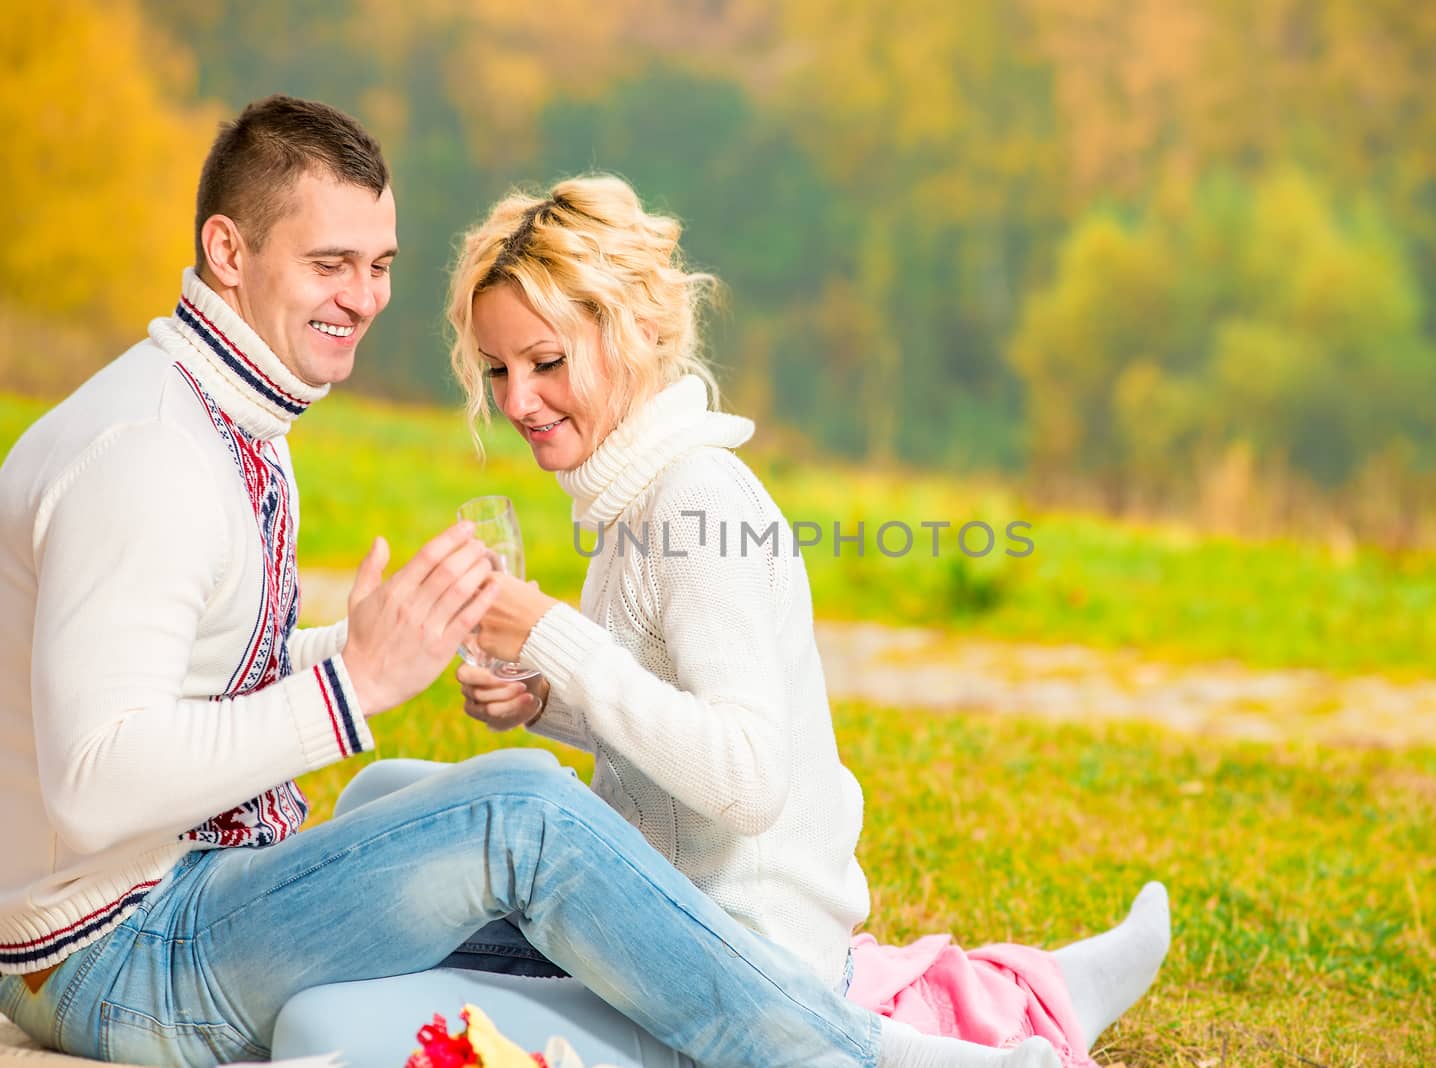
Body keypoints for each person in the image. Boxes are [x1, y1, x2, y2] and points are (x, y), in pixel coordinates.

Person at [0, 95, 1062, 1068]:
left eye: (379, 265)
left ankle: (859, 1041)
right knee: (521, 811)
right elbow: (96, 785)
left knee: (459, 804)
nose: (365, 299)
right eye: (332, 263)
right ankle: (872, 1056)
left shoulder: (217, 418)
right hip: (118, 952)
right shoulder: (153, 457)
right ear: (227, 252)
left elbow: (742, 772)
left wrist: (368, 653)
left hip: (155, 915)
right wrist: (355, 683)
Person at [426, 176, 1172, 1063]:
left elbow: (746, 778)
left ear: (637, 334)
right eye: (497, 369)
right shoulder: (633, 501)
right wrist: (545, 697)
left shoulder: (695, 503)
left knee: (449, 862)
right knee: (401, 805)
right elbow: (666, 731)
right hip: (659, 913)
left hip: (738, 948)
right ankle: (1015, 1001)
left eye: (546, 364)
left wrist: (556, 637)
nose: (516, 401)